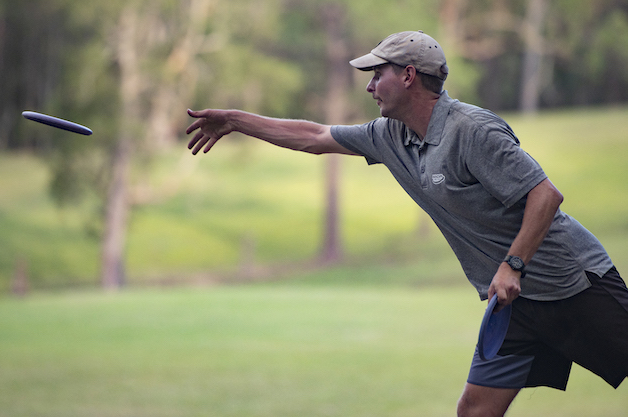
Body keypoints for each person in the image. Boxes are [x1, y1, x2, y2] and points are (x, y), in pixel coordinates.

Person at [186, 30, 628, 416]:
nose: (370, 87)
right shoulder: (390, 136)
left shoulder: (471, 130)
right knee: (475, 410)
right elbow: (315, 137)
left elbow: (545, 195)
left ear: (409, 75)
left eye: (377, 75)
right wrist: (236, 121)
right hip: (512, 304)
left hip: (572, 282)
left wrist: (513, 264)